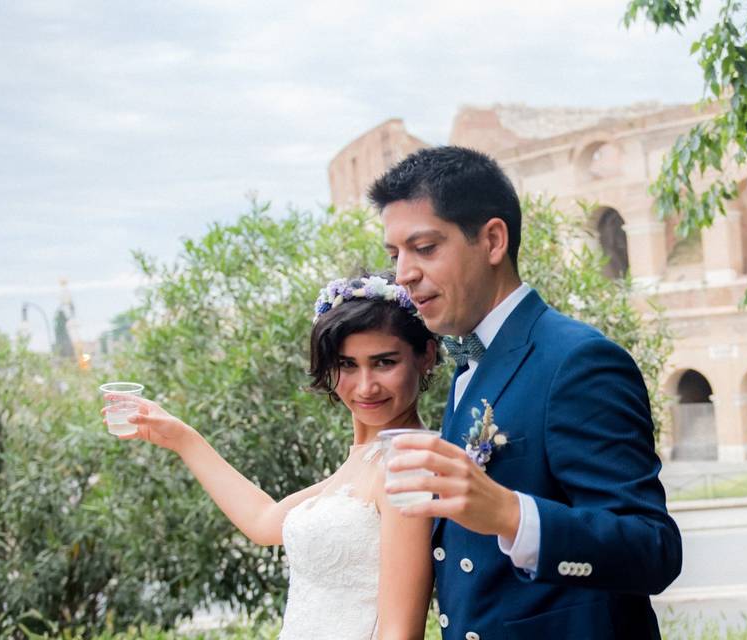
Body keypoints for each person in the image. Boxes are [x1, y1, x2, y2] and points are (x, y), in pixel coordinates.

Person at [371, 146, 682, 640]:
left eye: (425, 247)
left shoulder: (576, 360)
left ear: (493, 240)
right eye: (395, 254)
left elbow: (653, 550)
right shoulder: (470, 363)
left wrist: (510, 514)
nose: (404, 272)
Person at [102, 273, 439, 640]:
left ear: (425, 357)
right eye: (346, 365)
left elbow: (400, 634)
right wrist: (182, 438)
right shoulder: (363, 460)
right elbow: (264, 522)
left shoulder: (407, 464)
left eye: (384, 363)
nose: (365, 386)